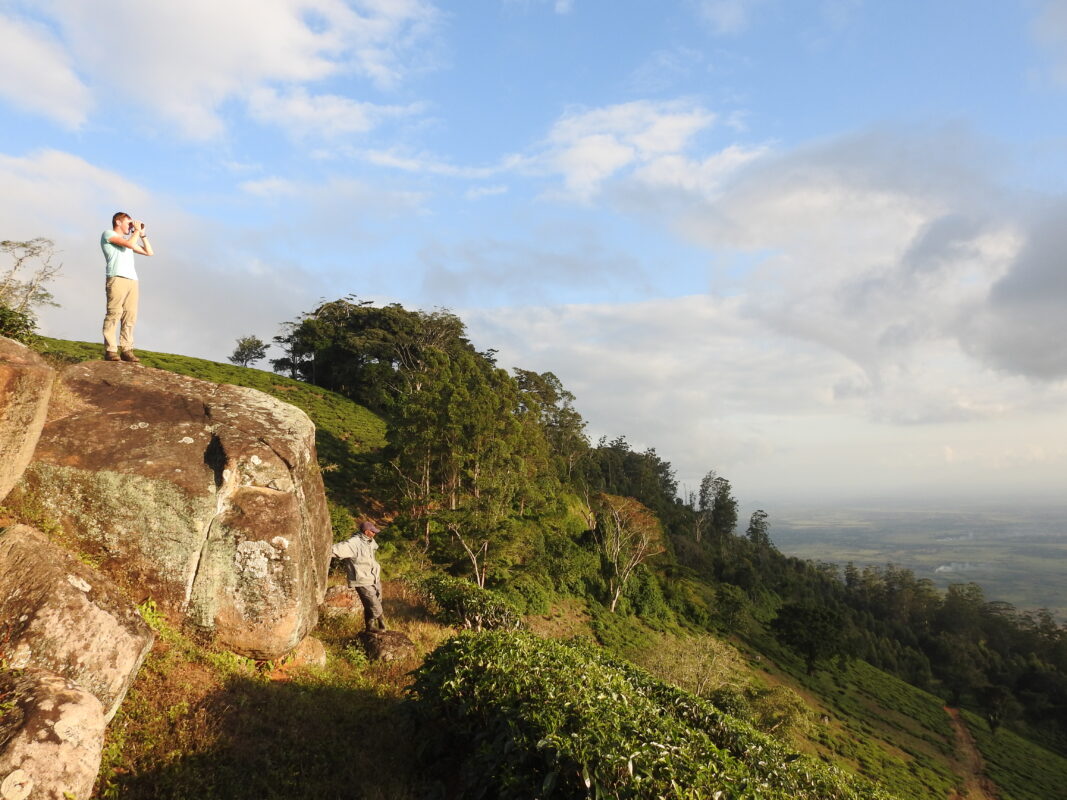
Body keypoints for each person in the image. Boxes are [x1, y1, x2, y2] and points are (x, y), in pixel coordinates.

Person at [101, 211, 154, 362]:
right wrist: (136, 231)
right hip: (116, 277)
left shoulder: (130, 239)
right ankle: (111, 350)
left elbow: (149, 252)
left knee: (130, 316)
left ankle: (127, 349)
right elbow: (129, 244)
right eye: (128, 223)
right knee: (114, 314)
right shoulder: (108, 234)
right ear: (118, 222)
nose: (130, 226)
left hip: (132, 280)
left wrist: (142, 235)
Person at [332, 520, 387, 631]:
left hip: (374, 577)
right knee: (374, 603)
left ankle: (369, 626)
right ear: (366, 532)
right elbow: (334, 549)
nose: (374, 534)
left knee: (374, 602)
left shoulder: (370, 541)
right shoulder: (353, 543)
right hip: (362, 579)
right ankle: (382, 623)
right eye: (372, 532)